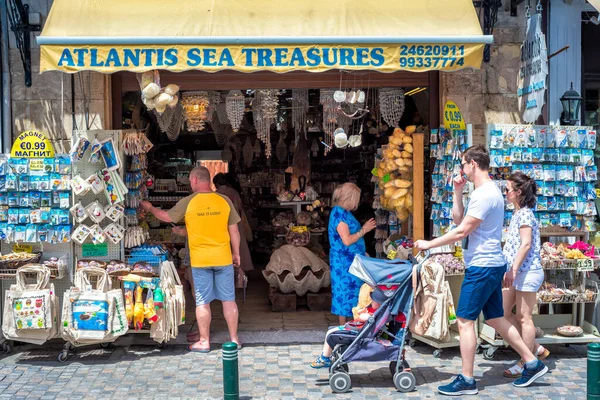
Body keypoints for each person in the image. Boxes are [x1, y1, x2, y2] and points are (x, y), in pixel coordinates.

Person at [414, 145, 547, 395]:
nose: (462, 169)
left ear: (473, 164)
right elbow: (459, 220)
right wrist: (457, 192)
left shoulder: (485, 194)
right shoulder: (483, 192)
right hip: (489, 264)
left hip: (483, 266)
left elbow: (463, 231)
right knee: (496, 318)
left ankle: (467, 379)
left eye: (463, 164)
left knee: (465, 321)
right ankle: (532, 361)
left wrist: (430, 244)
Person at [140, 166, 242, 352]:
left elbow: (165, 216)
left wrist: (150, 208)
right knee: (229, 300)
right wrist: (236, 254)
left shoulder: (189, 202)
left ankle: (204, 342)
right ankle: (234, 340)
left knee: (203, 302)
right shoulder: (224, 200)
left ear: (194, 180)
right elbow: (233, 231)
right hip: (223, 258)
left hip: (200, 261)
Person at [502, 172, 549, 378]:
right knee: (501, 313)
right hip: (517, 272)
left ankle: (526, 362)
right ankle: (536, 349)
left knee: (524, 317)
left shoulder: (525, 214)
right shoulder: (518, 213)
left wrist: (512, 269)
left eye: (507, 189)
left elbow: (526, 244)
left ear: (518, 192)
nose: (505, 193)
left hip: (526, 272)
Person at [328, 183, 377, 325]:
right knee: (344, 292)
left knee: (353, 291)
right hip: (344, 262)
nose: (358, 202)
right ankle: (344, 325)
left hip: (351, 259)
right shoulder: (339, 215)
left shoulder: (343, 212)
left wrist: (362, 252)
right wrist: (364, 230)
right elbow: (347, 240)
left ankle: (352, 321)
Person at [213, 173, 254, 272]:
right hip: (235, 221)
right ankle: (241, 271)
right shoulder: (233, 192)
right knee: (239, 246)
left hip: (220, 223)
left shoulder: (215, 194)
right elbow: (240, 207)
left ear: (216, 184)